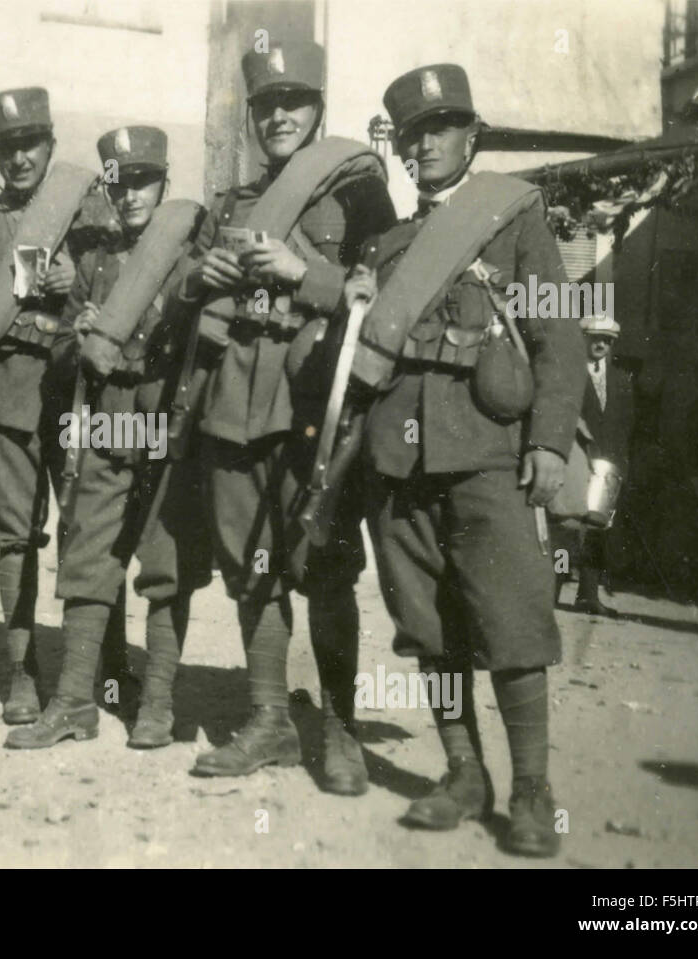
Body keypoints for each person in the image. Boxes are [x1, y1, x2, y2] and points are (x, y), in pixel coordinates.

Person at [350, 64, 586, 856]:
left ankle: (531, 787)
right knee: (428, 624)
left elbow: (559, 334)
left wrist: (549, 440)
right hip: (399, 460)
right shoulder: (388, 246)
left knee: (513, 617)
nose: (425, 145)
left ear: (470, 136)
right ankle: (463, 772)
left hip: (487, 453)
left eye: (441, 128)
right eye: (413, 135)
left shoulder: (514, 222)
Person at [166, 39, 397, 785]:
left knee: (324, 565)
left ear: (317, 109)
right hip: (235, 401)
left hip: (314, 403)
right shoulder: (232, 202)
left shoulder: (360, 194)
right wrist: (200, 275)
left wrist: (308, 275)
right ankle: (270, 720)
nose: (278, 117)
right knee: (251, 566)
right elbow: (181, 295)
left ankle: (340, 729)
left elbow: (384, 299)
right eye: (266, 105)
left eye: (293, 102)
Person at [5, 126, 211, 750]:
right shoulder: (94, 264)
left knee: (165, 563)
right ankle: (74, 702)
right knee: (88, 556)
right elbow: (60, 351)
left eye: (144, 182)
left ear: (164, 185)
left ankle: (157, 705)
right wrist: (80, 338)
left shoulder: (190, 263)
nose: (131, 196)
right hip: (107, 423)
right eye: (121, 185)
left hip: (165, 426)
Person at [0, 87, 124, 724]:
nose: (19, 158)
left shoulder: (94, 213)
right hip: (15, 390)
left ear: (51, 145)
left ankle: (109, 666)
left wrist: (77, 282)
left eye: (30, 144)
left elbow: (125, 293)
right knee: (15, 536)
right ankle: (23, 672)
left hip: (79, 390)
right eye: (7, 148)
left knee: (92, 529)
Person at [571, 314, 634, 615]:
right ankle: (549, 591)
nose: (602, 345)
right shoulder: (569, 375)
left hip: (609, 466)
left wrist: (620, 464)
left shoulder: (621, 379)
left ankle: (588, 595)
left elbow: (627, 424)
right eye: (596, 338)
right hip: (578, 460)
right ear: (584, 339)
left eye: (608, 341)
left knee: (598, 528)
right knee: (568, 526)